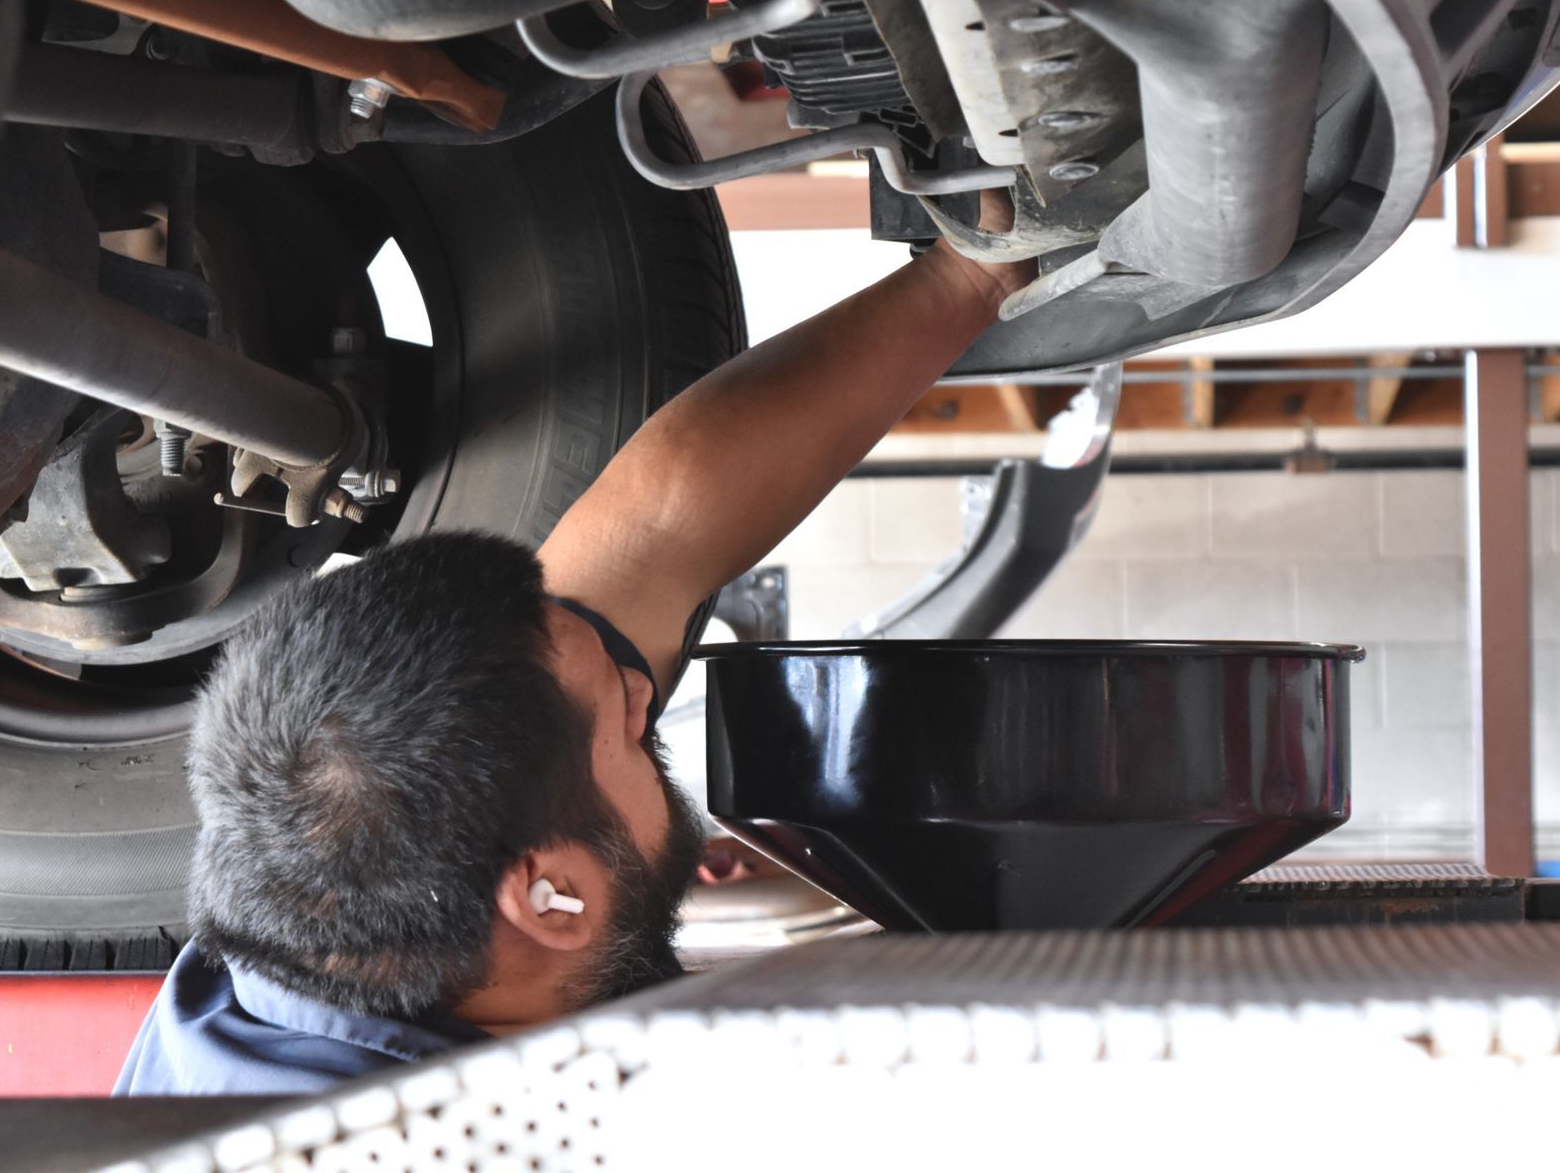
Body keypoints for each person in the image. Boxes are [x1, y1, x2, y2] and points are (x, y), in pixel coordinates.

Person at [115, 202, 1031, 1094]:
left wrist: (972, 277)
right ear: (552, 893)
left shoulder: (329, 911)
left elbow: (658, 535)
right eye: (625, 725)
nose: (645, 692)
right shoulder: (485, 1140)